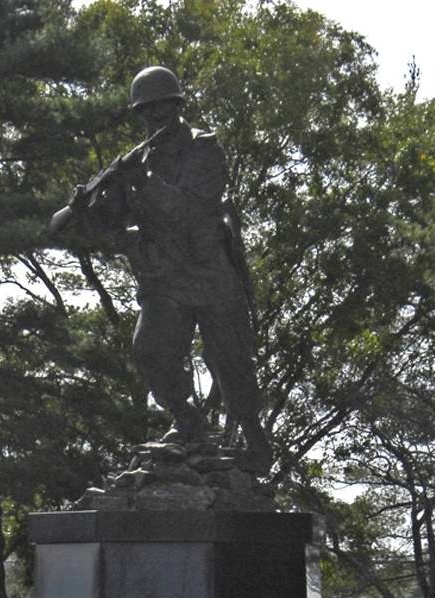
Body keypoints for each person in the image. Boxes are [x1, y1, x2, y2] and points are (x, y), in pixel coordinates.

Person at [53, 65, 273, 474]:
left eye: (163, 108)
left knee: (232, 365)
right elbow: (111, 223)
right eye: (147, 111)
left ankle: (255, 442)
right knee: (150, 348)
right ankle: (187, 419)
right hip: (166, 278)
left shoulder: (204, 149)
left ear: (177, 106)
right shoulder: (138, 161)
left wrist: (144, 181)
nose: (156, 118)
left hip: (211, 275)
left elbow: (189, 211)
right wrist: (86, 211)